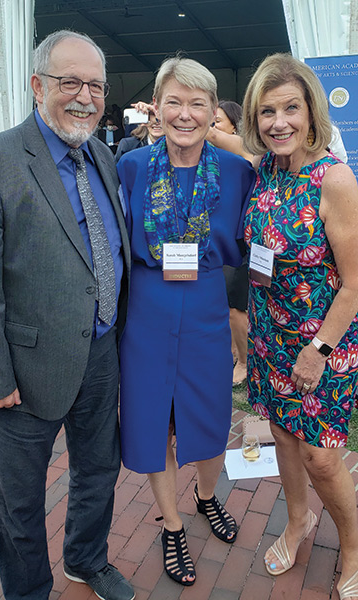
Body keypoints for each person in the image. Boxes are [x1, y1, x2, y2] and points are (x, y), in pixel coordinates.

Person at [0, 30, 133, 600]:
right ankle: (29, 591)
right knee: (20, 501)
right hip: (24, 371)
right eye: (69, 82)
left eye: (95, 86)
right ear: (37, 86)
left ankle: (86, 560)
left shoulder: (103, 154)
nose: (84, 96)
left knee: (98, 472)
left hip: (101, 353)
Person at [117, 56, 256, 586]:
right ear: (157, 106)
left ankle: (204, 497)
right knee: (155, 417)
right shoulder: (129, 166)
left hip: (205, 304)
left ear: (211, 111)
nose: (185, 114)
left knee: (209, 411)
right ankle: (171, 524)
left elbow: (279, 171)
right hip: (149, 309)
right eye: (173, 100)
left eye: (198, 103)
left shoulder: (237, 171)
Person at [242, 53, 358, 600]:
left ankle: (353, 544)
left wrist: (318, 348)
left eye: (291, 108)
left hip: (323, 343)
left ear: (313, 112)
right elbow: (227, 142)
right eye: (267, 111)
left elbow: (356, 285)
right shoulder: (266, 166)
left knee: (322, 456)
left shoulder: (334, 179)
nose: (279, 122)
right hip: (269, 336)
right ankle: (297, 521)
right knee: (284, 438)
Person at [207, 100, 253, 385]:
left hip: (244, 244)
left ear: (233, 127)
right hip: (222, 240)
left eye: (217, 121)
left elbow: (209, 134)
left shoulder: (247, 154)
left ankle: (245, 363)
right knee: (227, 305)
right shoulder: (210, 159)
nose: (213, 128)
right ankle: (235, 351)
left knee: (237, 307)